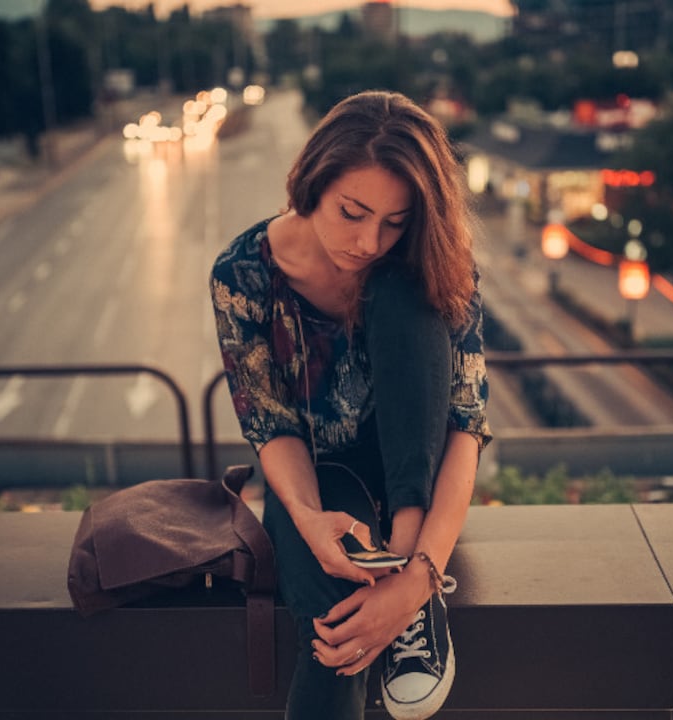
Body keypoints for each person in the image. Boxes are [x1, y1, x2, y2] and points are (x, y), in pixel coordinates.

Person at [209, 90, 490, 720]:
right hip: (317, 484)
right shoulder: (243, 275)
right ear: (313, 182)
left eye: (395, 222)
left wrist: (415, 577)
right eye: (352, 212)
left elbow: (464, 426)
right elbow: (270, 424)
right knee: (335, 637)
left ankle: (414, 597)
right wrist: (308, 518)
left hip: (420, 484)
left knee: (404, 291)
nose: (369, 242)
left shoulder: (436, 263)